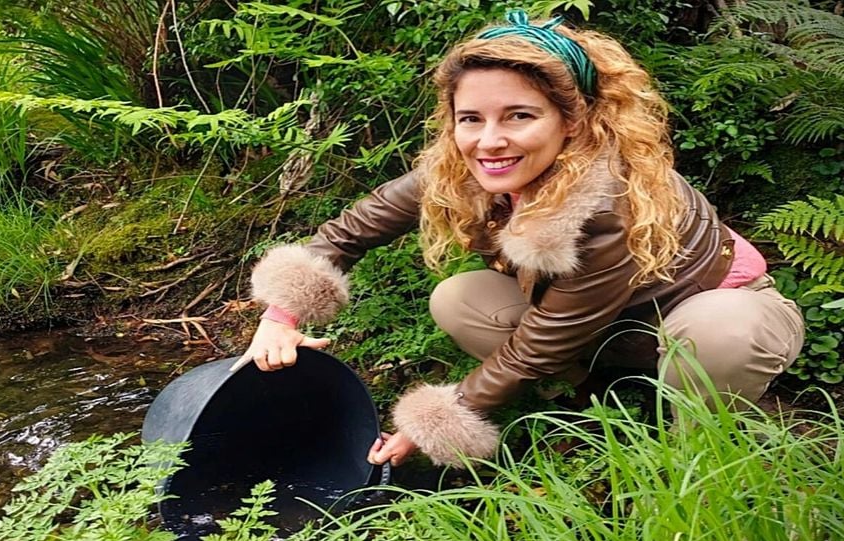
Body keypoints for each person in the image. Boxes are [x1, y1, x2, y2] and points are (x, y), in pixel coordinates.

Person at [232, 11, 805, 468]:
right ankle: (598, 399)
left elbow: (543, 341)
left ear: (573, 120)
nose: (489, 140)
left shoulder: (609, 201)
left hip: (700, 311)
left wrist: (429, 422)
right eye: (471, 118)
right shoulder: (465, 166)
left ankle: (699, 452)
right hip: (613, 328)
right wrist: (281, 315)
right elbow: (353, 230)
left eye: (519, 116)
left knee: (723, 332)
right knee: (458, 298)